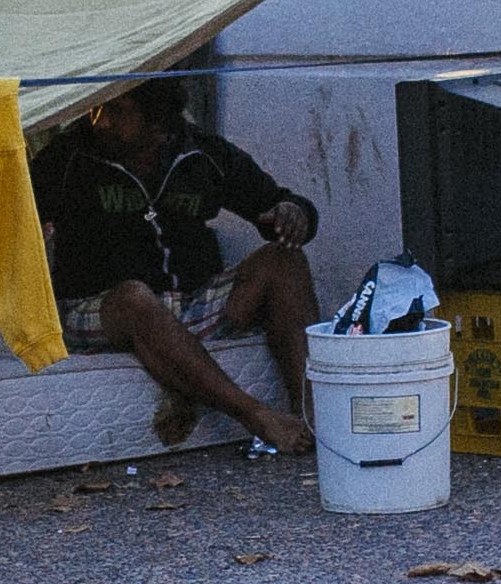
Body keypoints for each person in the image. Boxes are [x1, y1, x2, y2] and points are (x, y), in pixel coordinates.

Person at [30, 77, 317, 452]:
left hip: (189, 303)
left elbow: (279, 203)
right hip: (101, 308)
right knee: (134, 297)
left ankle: (310, 415)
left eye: (116, 111)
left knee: (285, 261)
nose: (100, 122)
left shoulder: (204, 154)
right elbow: (7, 224)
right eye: (96, 109)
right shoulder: (68, 157)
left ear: (156, 120)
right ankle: (255, 415)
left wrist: (294, 214)